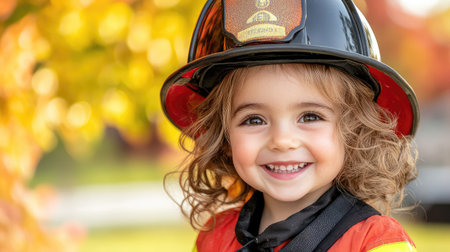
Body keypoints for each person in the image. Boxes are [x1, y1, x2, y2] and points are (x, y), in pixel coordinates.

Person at [160, 0, 419, 251]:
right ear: (224, 137)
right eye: (254, 120)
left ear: (354, 131)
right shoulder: (214, 238)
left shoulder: (376, 242)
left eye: (309, 117)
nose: (282, 140)